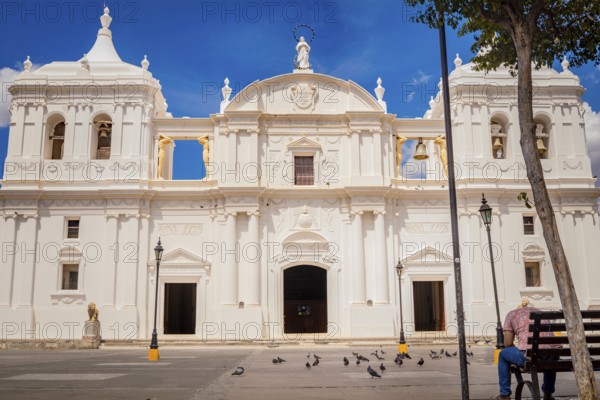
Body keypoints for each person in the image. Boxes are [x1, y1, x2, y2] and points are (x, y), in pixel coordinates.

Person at [491, 298, 558, 400]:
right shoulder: (541, 313)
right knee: (549, 354)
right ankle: (547, 395)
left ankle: (504, 394)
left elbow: (508, 343)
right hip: (552, 356)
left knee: (503, 354)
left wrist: (518, 351)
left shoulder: (512, 314)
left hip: (529, 356)